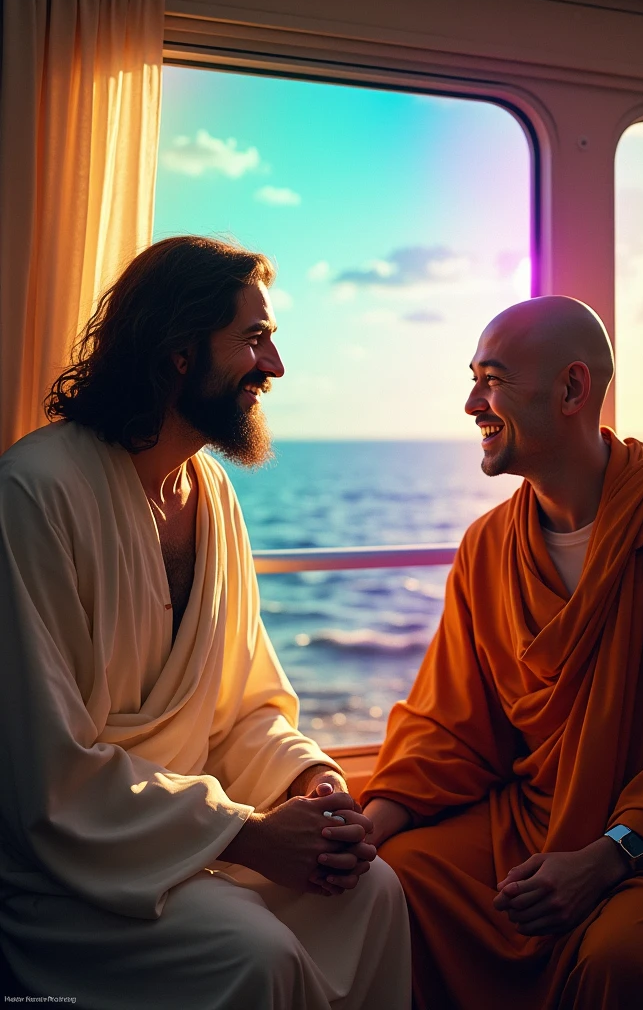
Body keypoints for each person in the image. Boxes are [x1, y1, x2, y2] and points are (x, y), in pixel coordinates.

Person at [0, 236, 410, 1010]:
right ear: (179, 351)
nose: (275, 369)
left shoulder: (210, 493)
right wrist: (249, 836)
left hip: (197, 839)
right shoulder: (35, 494)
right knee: (251, 956)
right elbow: (48, 775)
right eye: (256, 340)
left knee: (373, 892)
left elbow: (242, 705)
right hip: (75, 874)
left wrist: (313, 787)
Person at [361, 295, 643, 1010]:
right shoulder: (487, 545)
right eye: (474, 378)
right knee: (396, 877)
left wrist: (608, 857)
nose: (473, 403)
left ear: (572, 390)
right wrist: (370, 825)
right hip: (530, 826)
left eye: (494, 379)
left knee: (623, 957)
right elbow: (452, 727)